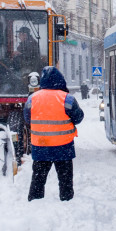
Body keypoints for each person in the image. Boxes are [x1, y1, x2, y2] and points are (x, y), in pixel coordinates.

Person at [24, 66, 84, 201]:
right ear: (60, 81)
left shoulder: (32, 99)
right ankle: (67, 202)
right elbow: (79, 117)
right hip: (63, 148)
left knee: (38, 180)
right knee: (65, 181)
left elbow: (27, 119)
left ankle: (35, 203)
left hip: (41, 147)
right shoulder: (67, 99)